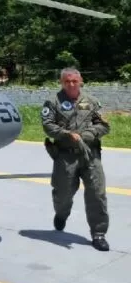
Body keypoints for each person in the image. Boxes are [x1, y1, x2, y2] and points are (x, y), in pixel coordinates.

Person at [41, 67, 110, 251]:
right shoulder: (53, 102)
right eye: (67, 81)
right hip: (65, 156)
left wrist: (88, 134)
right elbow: (48, 125)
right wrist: (67, 134)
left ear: (80, 81)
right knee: (63, 193)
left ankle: (99, 233)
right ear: (61, 82)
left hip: (90, 155)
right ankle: (61, 214)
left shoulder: (92, 102)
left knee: (97, 194)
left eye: (74, 81)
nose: (71, 84)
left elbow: (104, 125)